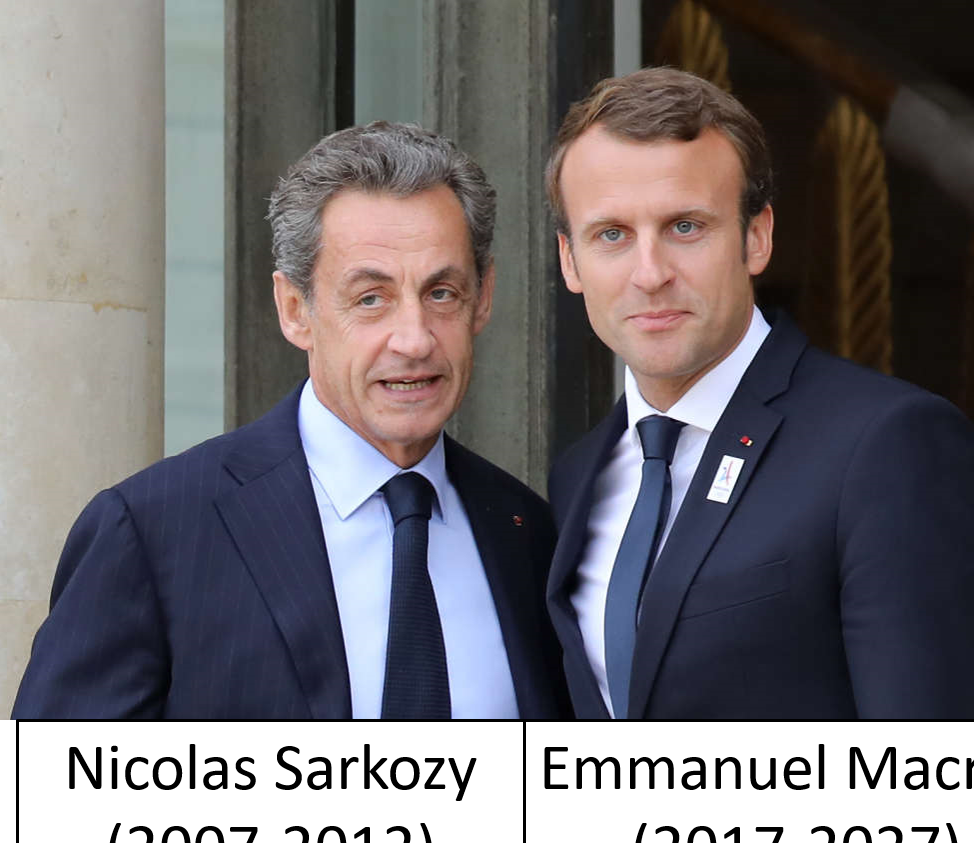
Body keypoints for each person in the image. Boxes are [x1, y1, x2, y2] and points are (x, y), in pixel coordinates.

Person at [14, 122, 569, 719]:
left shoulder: (527, 536)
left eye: (441, 293)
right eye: (370, 298)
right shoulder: (152, 534)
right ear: (294, 310)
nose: (413, 340)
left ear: (482, 297)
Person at [544, 68, 974, 718]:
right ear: (570, 261)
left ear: (757, 236)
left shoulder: (890, 447)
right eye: (612, 235)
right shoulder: (576, 478)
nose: (649, 274)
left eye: (685, 227)